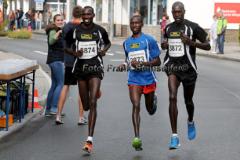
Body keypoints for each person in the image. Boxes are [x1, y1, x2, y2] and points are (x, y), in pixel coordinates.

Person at [161, 1, 210, 150]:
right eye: (174, 12)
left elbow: (207, 45)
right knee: (172, 97)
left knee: (188, 101)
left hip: (188, 70)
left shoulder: (193, 27)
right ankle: (174, 136)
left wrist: (190, 42)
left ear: (184, 11)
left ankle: (190, 120)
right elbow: (164, 42)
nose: (177, 15)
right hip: (173, 67)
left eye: (179, 12)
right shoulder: (168, 28)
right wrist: (164, 45)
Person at [64, 6, 111, 153]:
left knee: (93, 102)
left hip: (95, 68)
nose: (86, 16)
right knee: (85, 106)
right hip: (80, 69)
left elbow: (107, 42)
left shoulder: (99, 30)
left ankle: (89, 140)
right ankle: (95, 92)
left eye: (89, 14)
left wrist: (104, 50)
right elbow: (65, 44)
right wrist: (74, 52)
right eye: (84, 14)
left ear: (93, 15)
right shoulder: (75, 30)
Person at [118, 15, 161, 151]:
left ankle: (153, 102)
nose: (135, 25)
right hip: (134, 79)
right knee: (136, 105)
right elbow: (128, 59)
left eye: (137, 23)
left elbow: (157, 61)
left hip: (148, 78)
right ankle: (137, 137)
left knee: (149, 110)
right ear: (130, 25)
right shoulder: (126, 43)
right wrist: (124, 64)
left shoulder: (149, 40)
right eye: (132, 23)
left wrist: (143, 63)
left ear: (142, 24)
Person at [55, 6, 87, 125]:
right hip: (81, 61)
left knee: (66, 86)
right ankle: (80, 117)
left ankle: (58, 115)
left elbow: (64, 45)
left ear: (73, 14)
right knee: (82, 89)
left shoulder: (67, 26)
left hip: (69, 61)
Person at [45, 14, 65, 116]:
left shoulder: (57, 30)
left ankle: (48, 110)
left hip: (54, 60)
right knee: (61, 84)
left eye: (61, 20)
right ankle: (54, 108)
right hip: (56, 60)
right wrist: (59, 32)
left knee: (54, 84)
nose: (60, 21)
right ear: (54, 21)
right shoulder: (54, 30)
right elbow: (51, 41)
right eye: (58, 20)